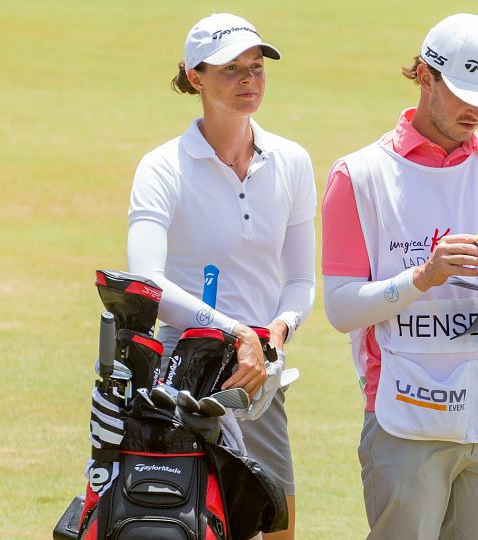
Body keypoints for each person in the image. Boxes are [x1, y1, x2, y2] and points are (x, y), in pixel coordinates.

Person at [322, 13, 478, 539]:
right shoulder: (359, 176)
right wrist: (422, 277)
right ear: (425, 76)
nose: (476, 109)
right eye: (463, 91)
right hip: (408, 416)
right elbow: (340, 308)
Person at [126, 13, 315, 539]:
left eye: (255, 67)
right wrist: (235, 331)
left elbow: (300, 280)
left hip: (261, 376)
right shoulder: (162, 167)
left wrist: (279, 328)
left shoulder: (293, 162)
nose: (248, 80)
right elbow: (147, 281)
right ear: (195, 78)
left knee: (277, 528)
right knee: (192, 525)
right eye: (231, 69)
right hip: (183, 374)